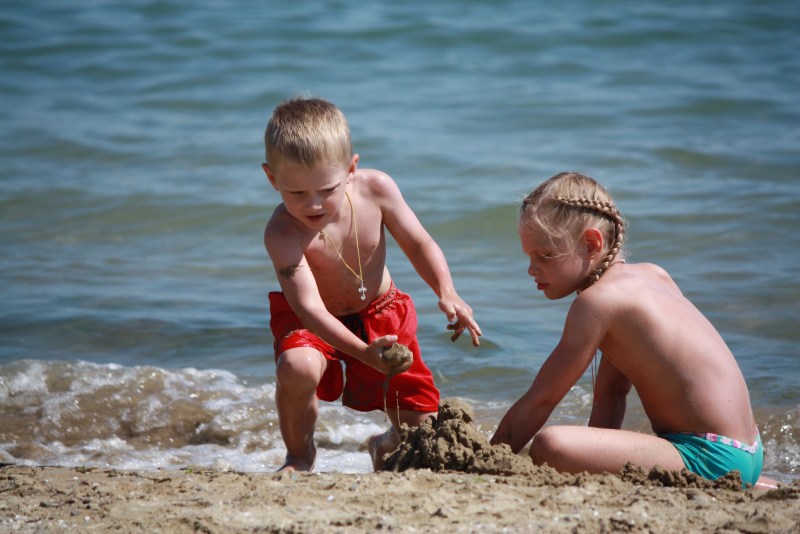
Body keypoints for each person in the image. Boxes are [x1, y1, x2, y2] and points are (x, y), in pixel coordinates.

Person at [490, 171, 769, 488]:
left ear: (591, 243)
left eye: (545, 255)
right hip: (748, 450)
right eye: (529, 256)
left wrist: (485, 460)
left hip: (709, 455)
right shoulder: (654, 274)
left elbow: (541, 400)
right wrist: (591, 456)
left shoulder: (596, 303)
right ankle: (753, 480)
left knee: (550, 445)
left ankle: (738, 480)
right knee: (569, 446)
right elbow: (610, 395)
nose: (532, 269)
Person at [262, 97, 482, 472]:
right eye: (296, 193)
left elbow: (418, 243)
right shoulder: (282, 233)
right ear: (272, 178)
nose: (313, 205)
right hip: (313, 321)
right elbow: (310, 309)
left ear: (351, 169)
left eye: (326, 190)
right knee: (296, 367)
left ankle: (383, 445)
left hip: (381, 312)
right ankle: (299, 454)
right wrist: (363, 353)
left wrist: (447, 291)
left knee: (419, 428)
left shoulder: (376, 190)